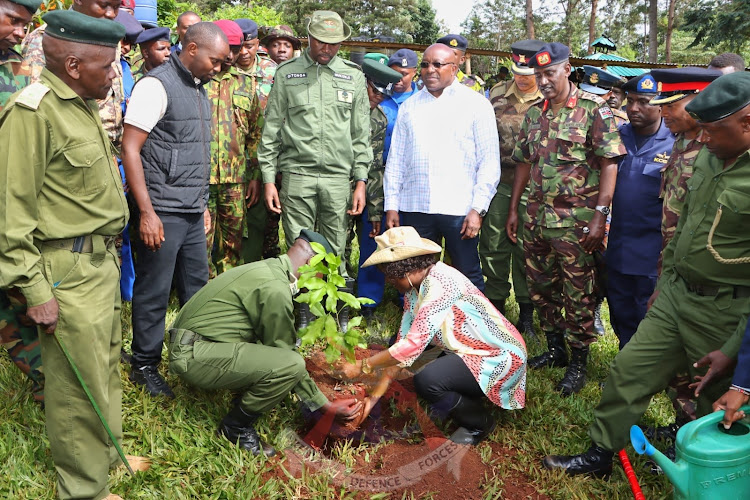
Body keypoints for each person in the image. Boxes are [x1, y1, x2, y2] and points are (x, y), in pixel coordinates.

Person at [542, 71, 750, 477]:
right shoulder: (708, 153)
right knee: (628, 370)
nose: (702, 140)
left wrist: (743, 375)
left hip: (726, 311)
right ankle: (601, 455)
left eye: (713, 130)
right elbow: (685, 225)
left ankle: (710, 472)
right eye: (701, 130)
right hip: (674, 294)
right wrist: (666, 281)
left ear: (747, 121)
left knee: (716, 398)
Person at [0, 11, 150, 499]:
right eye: (107, 67)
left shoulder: (80, 103)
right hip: (64, 268)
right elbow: (11, 212)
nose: (114, 76)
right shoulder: (32, 112)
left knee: (105, 367)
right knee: (74, 385)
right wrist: (35, 288)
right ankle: (84, 489)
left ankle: (110, 455)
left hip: (100, 261)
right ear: (71, 63)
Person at [168, 230, 362, 456]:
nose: (316, 286)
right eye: (321, 276)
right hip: (192, 355)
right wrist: (323, 405)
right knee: (291, 364)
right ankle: (235, 427)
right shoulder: (276, 290)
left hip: (194, 343)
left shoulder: (269, 269)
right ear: (312, 263)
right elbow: (285, 354)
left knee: (281, 361)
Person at [506, 42, 626, 396]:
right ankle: (556, 348)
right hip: (537, 219)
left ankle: (578, 360)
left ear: (567, 69)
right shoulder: (534, 114)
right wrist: (514, 209)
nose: (543, 80)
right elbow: (524, 163)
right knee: (542, 288)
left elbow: (610, 163)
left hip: (577, 223)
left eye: (549, 73)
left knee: (578, 293)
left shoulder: (593, 111)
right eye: (538, 74)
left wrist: (601, 216)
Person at [338, 226, 527, 445]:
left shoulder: (440, 284)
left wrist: (362, 366)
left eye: (389, 276)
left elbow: (410, 347)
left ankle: (478, 423)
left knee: (428, 381)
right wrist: (372, 400)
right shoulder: (415, 289)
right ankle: (464, 394)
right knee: (396, 347)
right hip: (467, 348)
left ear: (403, 270)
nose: (389, 282)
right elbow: (403, 345)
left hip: (499, 357)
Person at [122, 22, 230, 398]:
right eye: (214, 61)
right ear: (193, 49)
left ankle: (195, 359)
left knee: (197, 290)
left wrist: (201, 204)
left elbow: (193, 155)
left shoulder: (199, 89)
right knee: (154, 290)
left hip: (190, 209)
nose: (217, 69)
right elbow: (131, 148)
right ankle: (145, 365)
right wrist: (147, 212)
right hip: (161, 210)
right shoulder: (156, 85)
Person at [258, 10, 371, 278]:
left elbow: (360, 135)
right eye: (320, 41)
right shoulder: (287, 73)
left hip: (338, 178)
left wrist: (361, 182)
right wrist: (269, 180)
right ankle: (303, 311)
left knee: (337, 247)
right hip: (298, 176)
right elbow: (271, 130)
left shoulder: (353, 76)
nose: (326, 48)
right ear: (308, 37)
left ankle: (335, 310)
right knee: (299, 248)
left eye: (333, 43)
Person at [385, 43, 500, 293]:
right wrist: (391, 205)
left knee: (466, 272)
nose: (430, 70)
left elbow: (489, 162)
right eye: (425, 64)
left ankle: (471, 329)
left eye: (438, 64)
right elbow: (396, 160)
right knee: (416, 274)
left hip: (459, 208)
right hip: (416, 206)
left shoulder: (476, 105)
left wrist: (478, 209)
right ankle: (421, 329)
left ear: (455, 68)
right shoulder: (410, 108)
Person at [645, 67, 723, 433]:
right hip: (672, 265)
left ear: (697, 101)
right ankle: (682, 423)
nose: (664, 113)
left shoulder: (716, 151)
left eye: (671, 106)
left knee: (700, 358)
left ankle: (699, 432)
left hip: (703, 277)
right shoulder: (680, 143)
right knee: (680, 359)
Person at [606, 73, 674, 349]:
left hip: (652, 250)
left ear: (660, 105)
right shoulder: (615, 138)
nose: (633, 108)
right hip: (618, 245)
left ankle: (643, 370)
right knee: (620, 311)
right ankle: (624, 360)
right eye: (630, 101)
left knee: (647, 314)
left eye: (644, 102)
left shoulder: (676, 142)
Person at [482, 39, 544, 338]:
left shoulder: (549, 98)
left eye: (528, 72)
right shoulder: (495, 94)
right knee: (493, 247)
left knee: (526, 249)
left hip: (535, 188)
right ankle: (495, 308)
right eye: (518, 70)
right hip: (498, 183)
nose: (522, 77)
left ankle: (527, 313)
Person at [0, 0, 44, 405]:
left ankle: (44, 378)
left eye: (25, 24)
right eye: (13, 20)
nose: (19, 32)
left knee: (17, 299)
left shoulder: (19, 70)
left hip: (9, 202)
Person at [21, 0, 125, 151]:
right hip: (73, 153)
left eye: (116, 7)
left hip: (106, 149)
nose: (111, 14)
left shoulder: (107, 37)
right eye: (103, 5)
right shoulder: (50, 38)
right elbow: (38, 108)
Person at [206, 20, 263, 276]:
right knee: (201, 243)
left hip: (235, 180)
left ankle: (227, 291)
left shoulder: (246, 83)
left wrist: (255, 177)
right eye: (227, 47)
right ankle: (201, 295)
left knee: (232, 244)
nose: (231, 54)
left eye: (237, 48)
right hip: (201, 179)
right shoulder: (198, 80)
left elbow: (254, 136)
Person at [353, 54, 403, 316]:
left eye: (384, 93)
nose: (378, 97)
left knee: (371, 245)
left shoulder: (381, 118)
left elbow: (375, 167)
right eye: (374, 90)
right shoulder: (339, 109)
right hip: (335, 191)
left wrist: (375, 211)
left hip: (367, 193)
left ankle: (367, 303)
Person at [235, 18, 280, 265]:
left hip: (264, 156)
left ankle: (252, 266)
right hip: (229, 154)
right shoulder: (222, 70)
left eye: (249, 46)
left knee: (257, 217)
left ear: (257, 44)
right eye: (239, 46)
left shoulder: (273, 72)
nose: (244, 52)